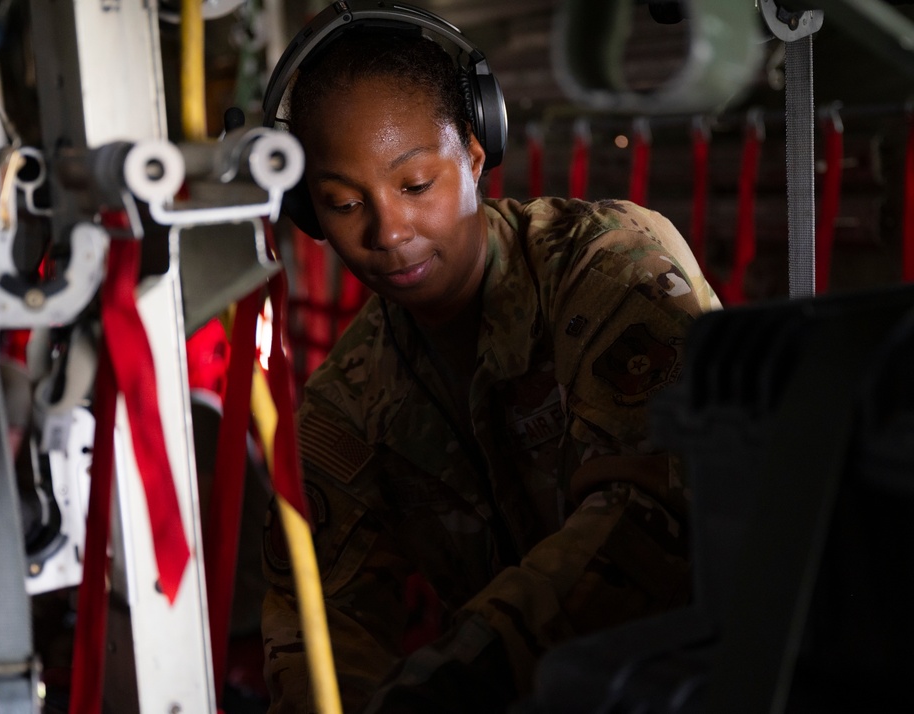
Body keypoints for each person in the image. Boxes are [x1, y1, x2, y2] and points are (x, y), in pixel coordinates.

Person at [259, 6, 721, 712]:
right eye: (345, 202)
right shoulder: (345, 405)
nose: (388, 231)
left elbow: (654, 514)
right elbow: (317, 621)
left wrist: (455, 675)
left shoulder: (605, 264)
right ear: (306, 212)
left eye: (416, 186)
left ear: (474, 159)